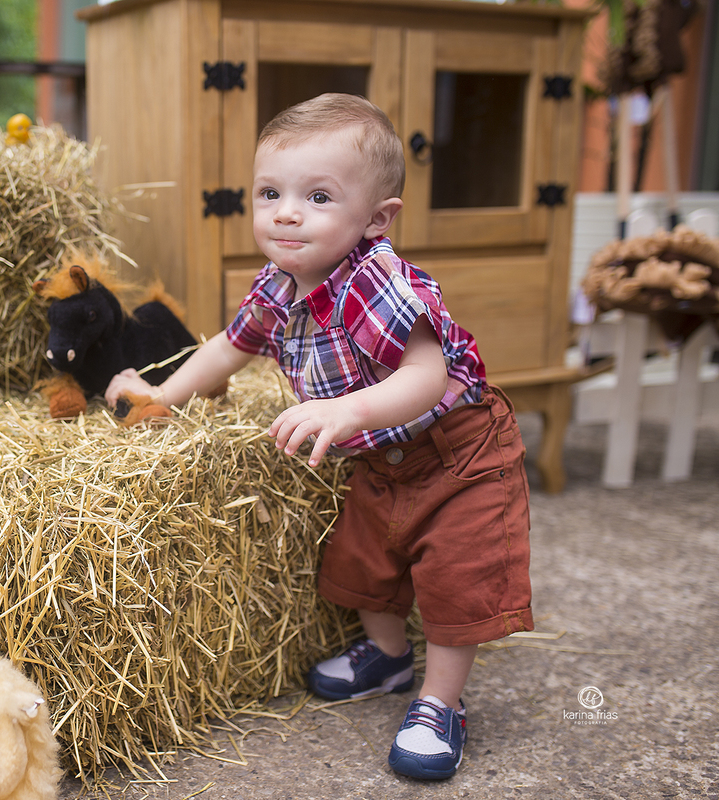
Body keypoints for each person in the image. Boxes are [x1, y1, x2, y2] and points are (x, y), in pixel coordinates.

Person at [104, 93, 533, 780]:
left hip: (460, 453)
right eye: (270, 192)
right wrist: (162, 396)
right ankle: (388, 661)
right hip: (382, 458)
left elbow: (426, 374)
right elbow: (225, 349)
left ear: (376, 219)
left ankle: (439, 704)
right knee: (363, 564)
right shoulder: (278, 286)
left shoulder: (376, 283)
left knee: (456, 581)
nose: (287, 212)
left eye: (319, 196)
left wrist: (349, 410)